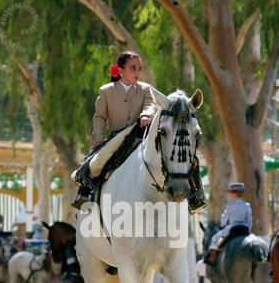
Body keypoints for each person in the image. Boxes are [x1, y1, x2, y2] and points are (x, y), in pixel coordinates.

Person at [71, 50, 207, 214]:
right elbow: (99, 117)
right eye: (132, 68)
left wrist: (146, 114)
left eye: (139, 68)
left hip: (142, 133)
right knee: (95, 163)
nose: (137, 72)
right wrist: (98, 140)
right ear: (120, 71)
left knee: (185, 154)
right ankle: (85, 194)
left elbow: (150, 105)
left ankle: (195, 196)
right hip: (117, 137)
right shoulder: (106, 91)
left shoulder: (146, 89)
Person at [205, 183, 252, 265]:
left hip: (233, 227)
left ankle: (212, 258)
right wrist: (249, 230)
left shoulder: (230, 205)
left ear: (234, 193)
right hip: (245, 228)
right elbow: (249, 220)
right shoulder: (246, 205)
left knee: (214, 238)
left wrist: (223, 225)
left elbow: (224, 218)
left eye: (231, 192)